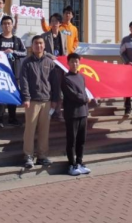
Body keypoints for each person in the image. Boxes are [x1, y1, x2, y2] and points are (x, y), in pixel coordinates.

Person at [19, 35, 60, 169]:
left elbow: (55, 83)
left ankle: (42, 156)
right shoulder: (27, 62)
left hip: (47, 101)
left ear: (44, 45)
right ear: (32, 46)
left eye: (41, 43)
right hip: (32, 101)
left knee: (44, 130)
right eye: (36, 43)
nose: (39, 46)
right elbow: (24, 81)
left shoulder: (50, 63)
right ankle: (28, 156)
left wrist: (55, 100)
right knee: (30, 130)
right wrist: (26, 98)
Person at [0, 15, 26, 128]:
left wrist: (13, 52)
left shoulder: (17, 40)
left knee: (12, 95)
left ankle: (12, 118)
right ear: (1, 25)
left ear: (12, 25)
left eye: (9, 23)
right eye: (4, 24)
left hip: (14, 73)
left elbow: (24, 53)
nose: (7, 26)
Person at [61, 53, 91, 176]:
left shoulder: (81, 77)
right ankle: (71, 164)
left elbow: (83, 91)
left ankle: (79, 162)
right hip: (72, 113)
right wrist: (85, 98)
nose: (75, 64)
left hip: (83, 112)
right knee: (71, 140)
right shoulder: (66, 78)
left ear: (79, 63)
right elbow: (73, 95)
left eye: (77, 61)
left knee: (81, 140)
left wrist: (86, 98)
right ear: (68, 63)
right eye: (72, 61)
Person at [41, 13, 68, 122]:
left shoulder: (64, 36)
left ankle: (58, 112)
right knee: (50, 89)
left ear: (60, 23)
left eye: (56, 21)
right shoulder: (45, 36)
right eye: (52, 21)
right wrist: (50, 56)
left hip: (60, 67)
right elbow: (42, 51)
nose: (54, 23)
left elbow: (65, 51)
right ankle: (49, 112)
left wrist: (65, 60)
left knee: (59, 90)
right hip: (49, 66)